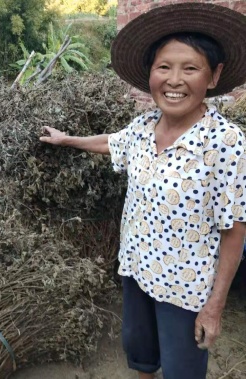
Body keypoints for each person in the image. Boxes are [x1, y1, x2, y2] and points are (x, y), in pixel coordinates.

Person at [40, 3, 246, 379]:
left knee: (183, 371)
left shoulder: (226, 142)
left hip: (185, 288)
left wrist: (214, 307)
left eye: (190, 68)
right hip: (136, 270)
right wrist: (68, 139)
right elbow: (114, 143)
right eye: (164, 67)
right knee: (142, 359)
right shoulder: (145, 124)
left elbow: (234, 229)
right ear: (150, 73)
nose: (175, 80)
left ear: (213, 76)